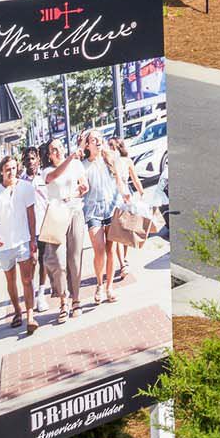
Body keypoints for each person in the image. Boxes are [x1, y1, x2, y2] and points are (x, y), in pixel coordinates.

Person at [38, 137, 90, 324]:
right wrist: (70, 157)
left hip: (75, 211)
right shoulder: (47, 171)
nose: (58, 151)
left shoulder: (76, 165)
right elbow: (54, 177)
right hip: (56, 215)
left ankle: (75, 300)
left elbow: (84, 186)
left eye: (60, 147)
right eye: (54, 149)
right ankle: (63, 300)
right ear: (49, 155)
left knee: (74, 258)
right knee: (58, 261)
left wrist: (77, 192)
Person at [0, 155, 37, 334]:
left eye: (14, 168)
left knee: (27, 279)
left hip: (23, 241)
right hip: (4, 246)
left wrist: (33, 240)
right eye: (7, 168)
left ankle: (30, 315)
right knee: (11, 281)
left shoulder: (26, 188)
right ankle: (17, 311)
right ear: (1, 171)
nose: (11, 171)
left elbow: (31, 216)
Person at [79, 130, 121, 306]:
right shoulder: (82, 165)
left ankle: (109, 287)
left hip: (111, 210)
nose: (97, 142)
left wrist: (126, 197)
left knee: (111, 250)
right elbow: (81, 185)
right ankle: (99, 284)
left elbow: (120, 181)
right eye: (93, 140)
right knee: (99, 250)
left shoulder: (109, 159)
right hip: (93, 212)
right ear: (87, 145)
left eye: (99, 139)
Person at [106, 134, 147, 282]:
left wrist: (142, 193)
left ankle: (124, 258)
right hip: (114, 197)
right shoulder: (108, 163)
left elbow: (135, 179)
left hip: (126, 196)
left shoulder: (127, 161)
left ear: (118, 146)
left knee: (126, 229)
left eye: (112, 145)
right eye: (108, 145)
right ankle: (122, 264)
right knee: (117, 230)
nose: (110, 148)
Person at [20, 145, 50, 314]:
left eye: (33, 158)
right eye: (27, 159)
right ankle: (30, 293)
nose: (30, 162)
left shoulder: (44, 177)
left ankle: (41, 293)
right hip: (28, 229)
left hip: (45, 225)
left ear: (38, 159)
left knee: (44, 261)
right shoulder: (21, 182)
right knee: (32, 261)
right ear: (23, 162)